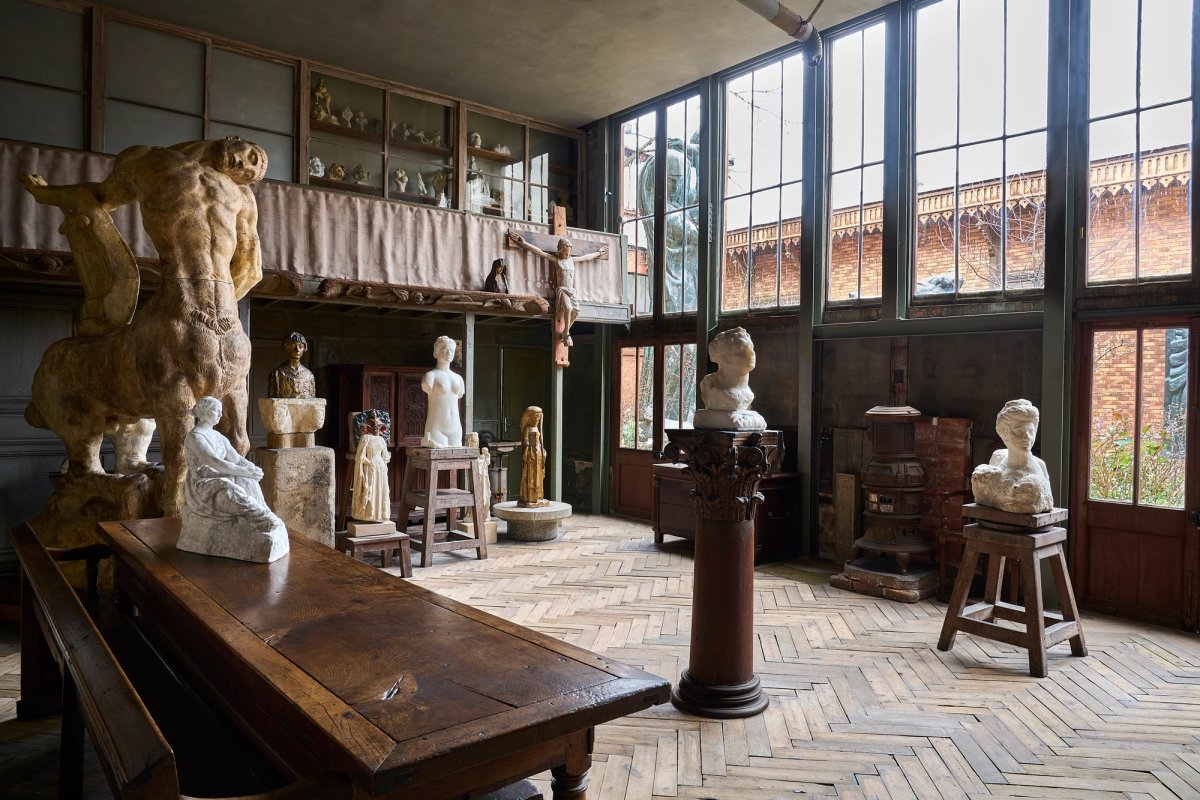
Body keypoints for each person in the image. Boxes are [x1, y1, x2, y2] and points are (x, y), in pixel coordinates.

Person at [21, 136, 267, 516]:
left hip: (219, 309)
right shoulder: (147, 161)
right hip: (177, 290)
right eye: (252, 156)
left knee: (239, 436)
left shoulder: (242, 196)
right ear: (234, 141)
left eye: (255, 170)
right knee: (171, 400)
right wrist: (50, 194)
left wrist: (220, 308)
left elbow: (250, 265)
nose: (248, 167)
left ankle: (233, 505)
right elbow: (100, 195)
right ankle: (173, 503)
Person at [179, 396, 288, 561]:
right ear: (204, 412)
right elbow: (216, 463)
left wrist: (250, 468)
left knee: (247, 480)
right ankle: (259, 518)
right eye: (217, 411)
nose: (220, 415)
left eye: (221, 411)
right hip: (204, 483)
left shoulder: (219, 437)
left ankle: (264, 513)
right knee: (228, 489)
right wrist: (245, 472)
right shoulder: (196, 437)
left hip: (222, 475)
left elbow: (236, 459)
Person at [507, 233, 608, 348]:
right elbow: (540, 252)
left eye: (569, 251)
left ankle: (565, 332)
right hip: (562, 290)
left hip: (571, 290)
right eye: (565, 251)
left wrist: (599, 253)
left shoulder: (572, 260)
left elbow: (586, 257)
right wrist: (524, 243)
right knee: (569, 309)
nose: (567, 253)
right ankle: (567, 334)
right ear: (560, 250)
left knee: (577, 312)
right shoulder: (556, 260)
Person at [971, 399, 1054, 514]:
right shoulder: (997, 458)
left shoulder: (1039, 468)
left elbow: (1029, 502)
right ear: (1004, 433)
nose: (1027, 438)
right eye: (1019, 432)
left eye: (1031, 431)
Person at [693, 327, 765, 430]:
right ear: (724, 358)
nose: (751, 353)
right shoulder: (712, 387)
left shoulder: (748, 393)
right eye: (740, 350)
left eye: (751, 347)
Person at [420, 336, 465, 448]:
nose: (449, 353)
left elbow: (459, 395)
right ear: (437, 352)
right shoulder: (430, 376)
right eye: (445, 349)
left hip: (456, 428)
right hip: (436, 428)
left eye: (452, 350)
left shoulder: (459, 378)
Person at [351, 415, 391, 522]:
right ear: (368, 426)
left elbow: (386, 456)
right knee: (370, 489)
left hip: (381, 467)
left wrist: (383, 461)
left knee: (380, 489)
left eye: (378, 426)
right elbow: (360, 456)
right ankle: (369, 514)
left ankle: (379, 515)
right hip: (370, 466)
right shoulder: (365, 438)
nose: (376, 428)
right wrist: (369, 463)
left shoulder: (381, 440)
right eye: (373, 426)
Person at [268, 332, 316, 399]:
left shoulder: (308, 375)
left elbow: (312, 400)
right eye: (293, 346)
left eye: (300, 346)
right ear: (286, 347)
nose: (297, 350)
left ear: (304, 349)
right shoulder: (277, 373)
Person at [518, 406, 547, 507]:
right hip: (531, 454)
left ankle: (538, 496)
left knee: (538, 475)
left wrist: (541, 449)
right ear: (530, 418)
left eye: (538, 418)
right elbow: (525, 441)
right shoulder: (527, 428)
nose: (537, 420)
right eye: (535, 418)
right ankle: (529, 496)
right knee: (530, 475)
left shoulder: (537, 428)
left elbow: (540, 441)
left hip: (538, 453)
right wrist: (531, 445)